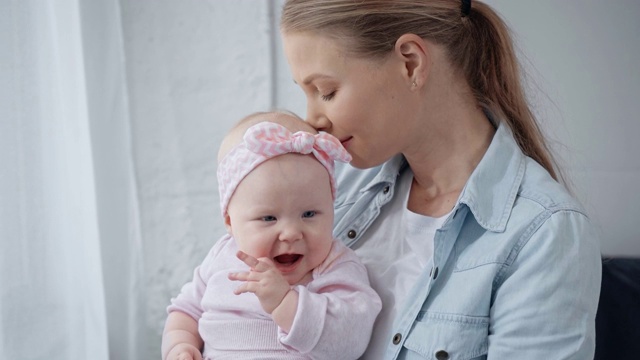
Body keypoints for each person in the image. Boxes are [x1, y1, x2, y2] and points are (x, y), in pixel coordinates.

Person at [280, 0, 602, 359]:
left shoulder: (543, 233)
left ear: (410, 63)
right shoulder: (333, 185)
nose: (312, 120)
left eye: (326, 91)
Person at [161, 111, 382, 360]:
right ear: (230, 222)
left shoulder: (335, 265)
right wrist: (179, 346)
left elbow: (350, 340)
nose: (290, 233)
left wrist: (285, 303)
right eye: (269, 218)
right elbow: (185, 311)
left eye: (309, 214)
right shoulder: (220, 257)